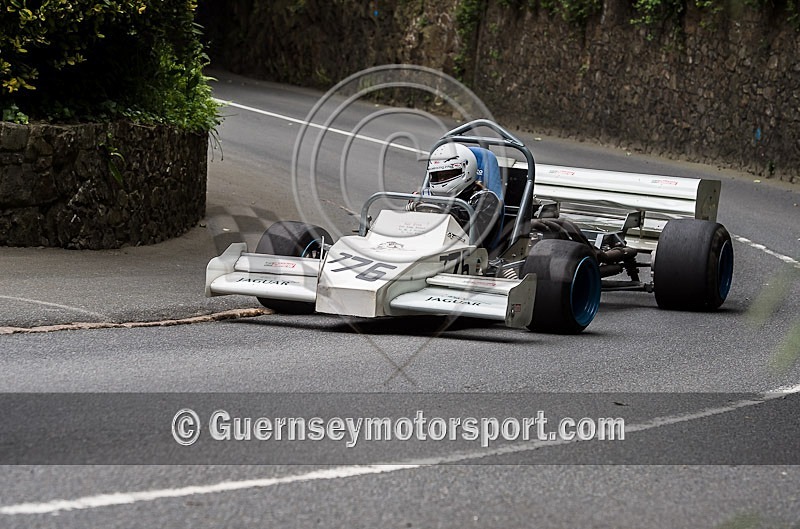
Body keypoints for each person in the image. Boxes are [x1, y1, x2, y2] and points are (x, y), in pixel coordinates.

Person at [410, 142, 504, 249]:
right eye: (437, 176)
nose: (441, 180)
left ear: (466, 170)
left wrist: (430, 208)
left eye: (447, 175)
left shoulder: (485, 199)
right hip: (424, 247)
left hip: (468, 256)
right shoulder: (427, 196)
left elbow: (472, 235)